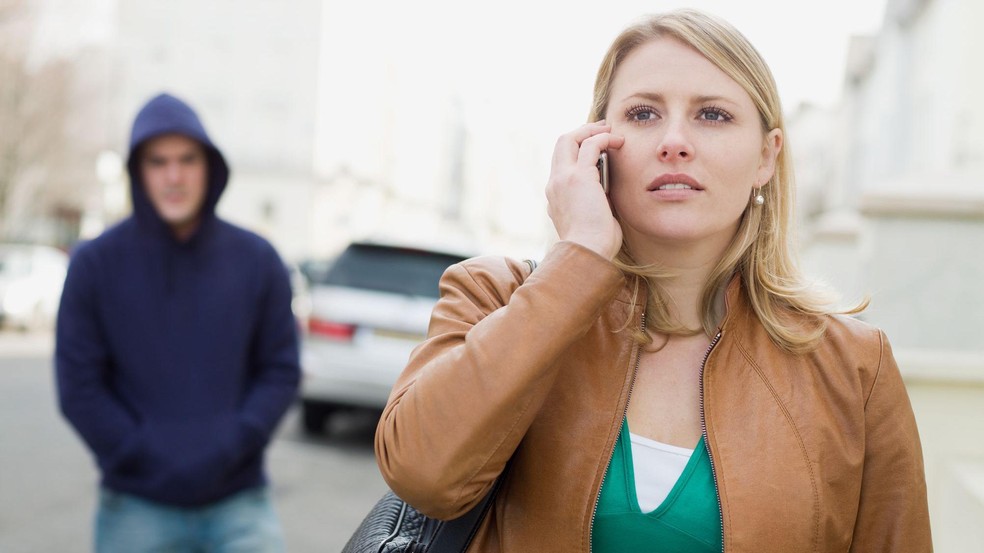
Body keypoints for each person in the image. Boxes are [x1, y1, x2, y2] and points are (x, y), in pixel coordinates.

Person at [374, 9, 932, 552]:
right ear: (595, 146)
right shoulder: (493, 297)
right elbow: (423, 474)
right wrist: (579, 259)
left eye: (712, 114)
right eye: (643, 114)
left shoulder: (855, 369)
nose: (674, 141)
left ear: (767, 156)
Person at [56, 92, 300, 552]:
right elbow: (79, 385)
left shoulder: (258, 260)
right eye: (157, 161)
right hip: (136, 502)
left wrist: (233, 442)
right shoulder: (95, 264)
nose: (174, 175)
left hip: (238, 500)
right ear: (137, 171)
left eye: (187, 159)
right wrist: (138, 451)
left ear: (209, 166)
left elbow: (280, 369)